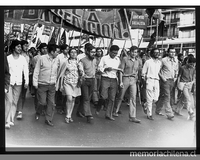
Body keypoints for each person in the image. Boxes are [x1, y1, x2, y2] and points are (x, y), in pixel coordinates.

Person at [113, 46, 142, 123]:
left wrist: (138, 79)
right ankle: (115, 110)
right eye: (133, 51)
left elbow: (138, 71)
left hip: (133, 80)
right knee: (121, 96)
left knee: (133, 98)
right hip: (125, 78)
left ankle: (132, 116)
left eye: (135, 52)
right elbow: (121, 71)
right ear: (130, 52)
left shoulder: (138, 60)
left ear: (137, 53)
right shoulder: (125, 59)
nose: (134, 53)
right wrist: (121, 81)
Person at [33, 44, 60, 126]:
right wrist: (35, 83)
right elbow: (36, 70)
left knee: (51, 103)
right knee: (42, 102)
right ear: (52, 52)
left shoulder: (57, 60)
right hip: (42, 84)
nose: (58, 54)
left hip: (52, 85)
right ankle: (38, 112)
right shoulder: (42, 59)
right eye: (57, 52)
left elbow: (57, 72)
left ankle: (48, 119)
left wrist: (56, 83)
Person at [56, 48, 84, 123]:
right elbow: (62, 74)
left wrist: (81, 71)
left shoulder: (79, 62)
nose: (73, 54)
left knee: (73, 99)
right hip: (67, 82)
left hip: (76, 83)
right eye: (72, 52)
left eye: (75, 52)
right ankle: (67, 116)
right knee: (69, 98)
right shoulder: (66, 62)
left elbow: (82, 73)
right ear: (69, 53)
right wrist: (61, 85)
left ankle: (69, 115)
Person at [6, 40, 29, 128]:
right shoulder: (8, 58)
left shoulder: (23, 58)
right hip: (9, 82)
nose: (20, 48)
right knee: (9, 101)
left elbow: (26, 71)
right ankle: (7, 121)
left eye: (20, 47)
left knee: (15, 102)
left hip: (18, 83)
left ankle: (11, 119)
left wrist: (26, 81)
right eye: (18, 47)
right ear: (13, 47)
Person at [96, 45, 121, 121]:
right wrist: (106, 69)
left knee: (112, 98)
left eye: (116, 53)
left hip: (114, 79)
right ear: (110, 51)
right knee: (103, 96)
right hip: (105, 78)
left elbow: (119, 70)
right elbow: (99, 68)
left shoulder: (117, 59)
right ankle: (99, 106)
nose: (114, 55)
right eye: (113, 53)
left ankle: (108, 114)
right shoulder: (104, 58)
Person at [155, 46, 179, 120]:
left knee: (164, 96)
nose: (172, 53)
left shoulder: (176, 60)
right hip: (165, 81)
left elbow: (176, 70)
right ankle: (169, 113)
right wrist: (163, 78)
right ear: (168, 52)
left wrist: (175, 77)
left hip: (172, 80)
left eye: (174, 52)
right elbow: (157, 70)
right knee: (167, 96)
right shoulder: (163, 60)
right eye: (171, 52)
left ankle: (157, 109)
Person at [141, 48, 162, 120]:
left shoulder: (159, 62)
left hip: (157, 81)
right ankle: (149, 114)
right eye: (155, 52)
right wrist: (145, 80)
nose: (157, 54)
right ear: (152, 53)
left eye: (158, 52)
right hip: (149, 80)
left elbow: (159, 72)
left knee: (156, 98)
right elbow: (143, 72)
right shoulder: (148, 62)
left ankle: (145, 104)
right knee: (149, 98)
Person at [78, 43, 97, 123]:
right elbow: (81, 71)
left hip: (93, 80)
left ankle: (79, 111)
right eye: (92, 52)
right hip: (85, 81)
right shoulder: (82, 60)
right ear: (87, 52)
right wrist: (82, 74)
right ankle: (89, 115)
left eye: (94, 52)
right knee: (86, 98)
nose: (94, 54)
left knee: (87, 98)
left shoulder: (95, 60)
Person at [32, 43, 48, 116]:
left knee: (45, 97)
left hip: (46, 80)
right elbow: (35, 69)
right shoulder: (36, 58)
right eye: (43, 48)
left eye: (46, 48)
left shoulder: (49, 57)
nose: (45, 50)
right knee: (38, 96)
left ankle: (43, 109)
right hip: (38, 79)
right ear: (40, 49)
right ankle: (37, 110)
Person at [16, 40, 30, 119]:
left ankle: (19, 110)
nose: (26, 47)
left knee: (22, 95)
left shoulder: (27, 56)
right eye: (25, 45)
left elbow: (27, 69)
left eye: (27, 46)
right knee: (16, 94)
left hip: (24, 77)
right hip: (16, 77)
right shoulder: (16, 55)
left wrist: (27, 80)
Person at [55, 44, 69, 115]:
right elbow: (57, 67)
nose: (67, 50)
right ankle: (59, 107)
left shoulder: (69, 56)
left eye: (68, 49)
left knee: (66, 93)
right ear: (62, 50)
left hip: (67, 77)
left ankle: (63, 107)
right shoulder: (59, 57)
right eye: (66, 49)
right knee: (60, 93)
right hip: (60, 77)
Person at [5, 52, 11, 129]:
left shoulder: (3, 55)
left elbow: (6, 72)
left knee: (9, 101)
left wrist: (6, 86)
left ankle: (6, 120)